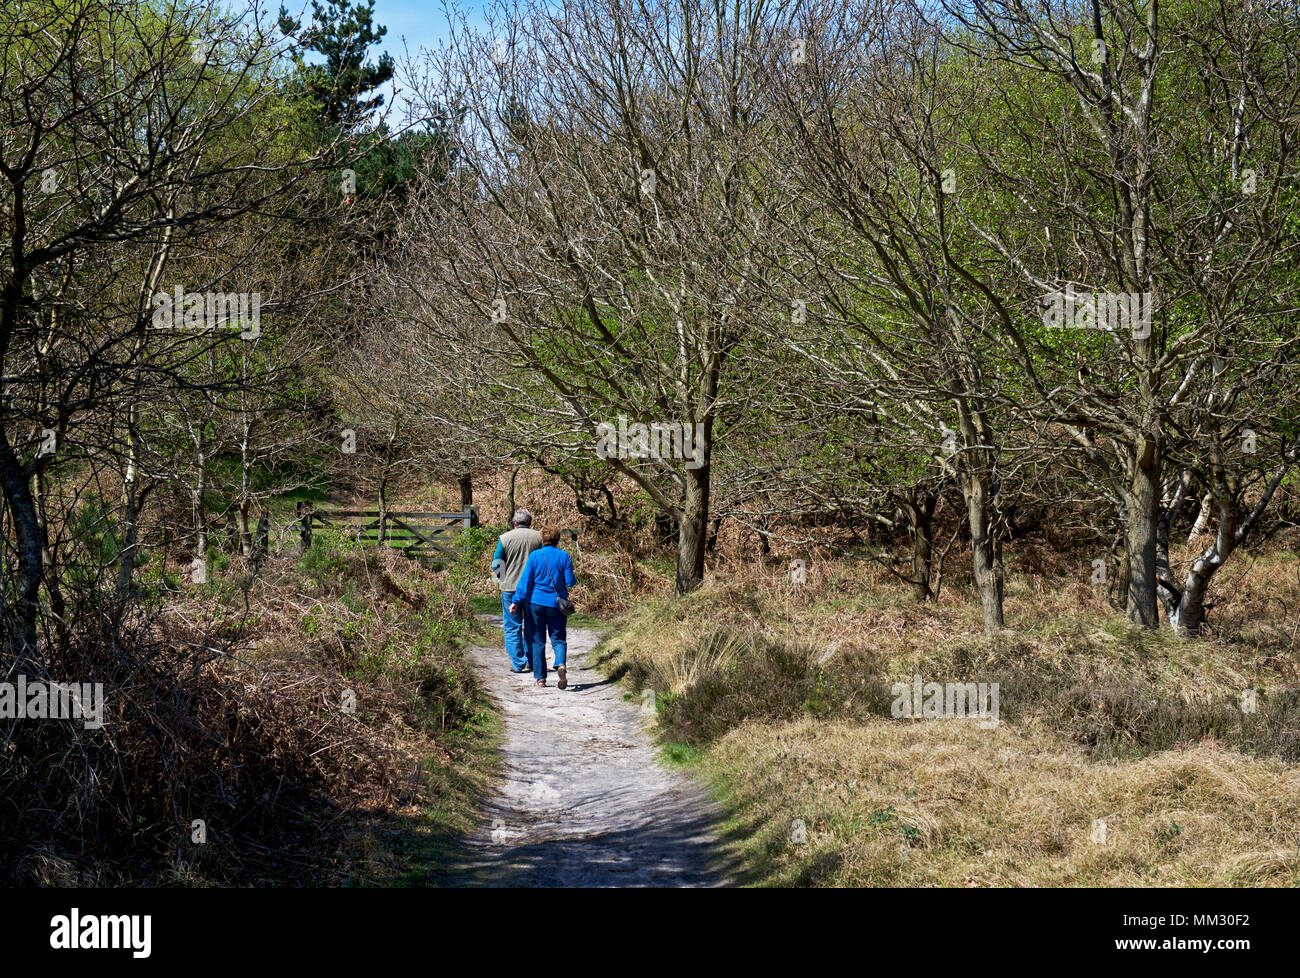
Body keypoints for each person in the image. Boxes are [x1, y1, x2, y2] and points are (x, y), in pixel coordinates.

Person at [510, 525, 576, 688]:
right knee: (558, 638)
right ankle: (560, 664)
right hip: (557, 605)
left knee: (537, 640)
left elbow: (525, 582)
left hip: (536, 604)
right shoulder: (564, 556)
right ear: (557, 539)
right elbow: (570, 582)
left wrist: (516, 601)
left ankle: (540, 678)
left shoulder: (534, 556)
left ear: (542, 539)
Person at [492, 509, 542, 672]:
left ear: (514, 523)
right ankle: (533, 660)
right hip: (533, 589)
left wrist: (503, 578)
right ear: (530, 522)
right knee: (532, 625)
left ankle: (518, 663)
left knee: (512, 626)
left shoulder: (505, 538)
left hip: (510, 588)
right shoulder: (539, 537)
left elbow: (497, 563)